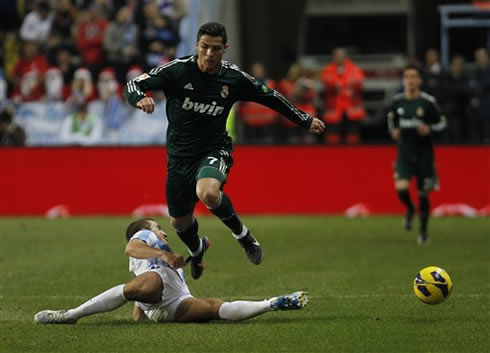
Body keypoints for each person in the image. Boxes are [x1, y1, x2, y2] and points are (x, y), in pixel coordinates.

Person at [123, 22, 325, 279]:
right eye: (204, 47)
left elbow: (271, 96)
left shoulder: (234, 78)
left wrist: (304, 120)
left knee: (207, 192)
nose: (209, 54)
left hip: (214, 148)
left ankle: (243, 235)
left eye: (216, 49)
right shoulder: (177, 71)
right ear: (196, 45)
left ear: (225, 49)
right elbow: (133, 85)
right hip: (178, 158)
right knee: (179, 223)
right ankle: (197, 250)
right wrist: (139, 97)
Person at [34, 218, 308, 324]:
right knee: (151, 282)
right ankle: (72, 315)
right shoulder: (143, 237)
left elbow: (142, 273)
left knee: (215, 307)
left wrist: (139, 311)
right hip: (158, 294)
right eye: (157, 227)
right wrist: (164, 253)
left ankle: (273, 303)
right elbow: (133, 251)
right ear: (142, 231)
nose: (162, 231)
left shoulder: (152, 257)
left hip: (172, 305)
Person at [387, 65, 447, 245]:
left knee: (423, 193)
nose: (410, 80)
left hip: (424, 155)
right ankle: (410, 208)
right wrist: (394, 131)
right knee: (401, 189)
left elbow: (442, 122)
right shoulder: (397, 102)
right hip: (404, 153)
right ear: (403, 80)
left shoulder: (427, 102)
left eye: (413, 77)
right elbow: (391, 122)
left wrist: (429, 128)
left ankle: (423, 230)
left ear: (420, 80)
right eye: (407, 77)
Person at [321, 48, 365, 144]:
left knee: (352, 137)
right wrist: (345, 85)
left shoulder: (354, 69)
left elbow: (358, 82)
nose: (339, 58)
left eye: (341, 56)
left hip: (351, 111)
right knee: (332, 137)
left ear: (346, 57)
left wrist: (340, 85)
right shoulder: (328, 69)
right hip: (334, 111)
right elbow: (328, 83)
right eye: (336, 56)